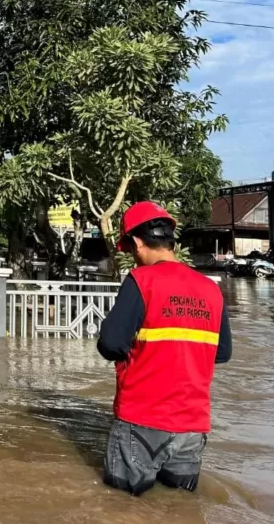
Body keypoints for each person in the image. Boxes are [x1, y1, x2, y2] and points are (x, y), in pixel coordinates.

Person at [98, 200, 232, 496]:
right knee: (180, 508)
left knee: (119, 507)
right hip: (193, 426)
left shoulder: (141, 280)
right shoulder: (211, 289)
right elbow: (221, 353)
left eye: (131, 250)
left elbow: (109, 343)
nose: (133, 258)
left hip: (141, 418)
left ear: (136, 242)